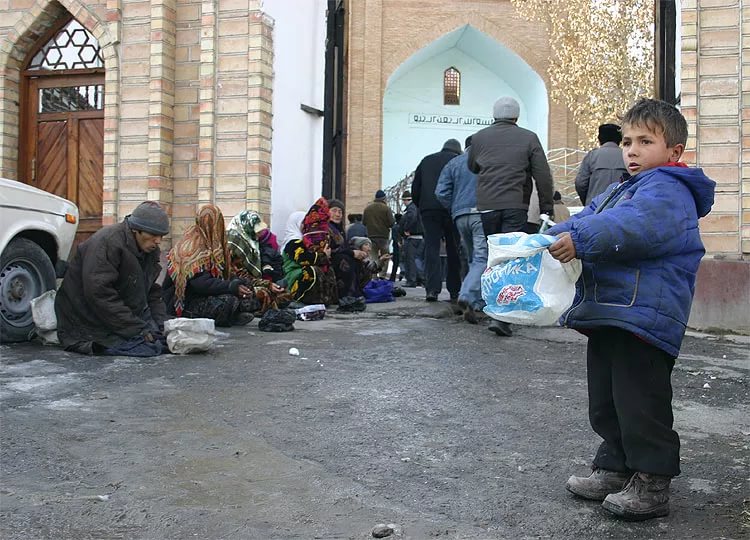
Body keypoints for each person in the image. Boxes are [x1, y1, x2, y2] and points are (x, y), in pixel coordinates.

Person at [546, 98, 716, 521]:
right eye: (626, 142)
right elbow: (589, 217)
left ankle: (652, 482)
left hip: (644, 315)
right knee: (606, 399)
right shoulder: (623, 189)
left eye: (645, 141)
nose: (632, 150)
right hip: (613, 310)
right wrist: (543, 238)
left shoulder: (668, 190)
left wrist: (580, 240)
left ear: (674, 151)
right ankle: (615, 467)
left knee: (641, 401)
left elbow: (633, 227)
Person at [467, 96, 555, 336]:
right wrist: (547, 206)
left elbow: (472, 166)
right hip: (515, 204)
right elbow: (542, 175)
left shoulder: (479, 137)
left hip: (487, 206)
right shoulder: (529, 138)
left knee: (494, 257)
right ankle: (502, 317)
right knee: (511, 259)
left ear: (494, 115)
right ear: (516, 116)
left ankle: (491, 307)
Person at [54, 201, 170, 356]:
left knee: (161, 341)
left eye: (161, 236)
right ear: (136, 230)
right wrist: (136, 329)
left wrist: (163, 325)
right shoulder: (108, 242)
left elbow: (151, 293)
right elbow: (99, 294)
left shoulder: (150, 250)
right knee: (144, 347)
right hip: (85, 317)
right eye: (153, 235)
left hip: (121, 314)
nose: (158, 241)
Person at [162, 204, 255, 327]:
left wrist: (238, 283)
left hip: (202, 295)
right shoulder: (191, 248)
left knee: (245, 284)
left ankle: (233, 314)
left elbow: (221, 274)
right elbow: (201, 284)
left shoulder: (211, 247)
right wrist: (231, 286)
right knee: (228, 301)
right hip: (185, 302)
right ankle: (225, 316)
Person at [435, 135, 486, 324]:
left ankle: (476, 302)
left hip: (460, 216)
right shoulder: (485, 160)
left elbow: (440, 192)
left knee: (472, 258)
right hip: (480, 213)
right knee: (481, 257)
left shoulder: (453, 163)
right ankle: (466, 295)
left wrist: (454, 207)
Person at [411, 139, 462, 303]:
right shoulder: (458, 161)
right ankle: (455, 290)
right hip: (452, 209)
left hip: (429, 210)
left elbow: (415, 188)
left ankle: (432, 290)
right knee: (453, 249)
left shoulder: (426, 160)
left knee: (431, 248)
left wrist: (422, 206)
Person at [226, 210, 291, 314]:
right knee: (264, 294)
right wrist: (267, 285)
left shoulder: (249, 240)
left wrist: (269, 281)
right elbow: (240, 275)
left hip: (253, 281)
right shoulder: (234, 244)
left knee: (284, 294)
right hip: (237, 284)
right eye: (257, 231)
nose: (260, 234)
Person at [282, 198, 338, 306]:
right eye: (303, 223)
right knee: (311, 271)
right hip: (293, 273)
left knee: (327, 269)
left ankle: (325, 299)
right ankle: (299, 298)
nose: (306, 226)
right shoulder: (292, 242)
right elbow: (304, 259)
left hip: (301, 269)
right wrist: (323, 255)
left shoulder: (307, 240)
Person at [327, 198, 370, 303]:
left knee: (359, 260)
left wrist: (357, 252)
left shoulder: (339, 229)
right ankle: (344, 294)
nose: (337, 214)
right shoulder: (326, 228)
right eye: (334, 211)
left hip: (341, 255)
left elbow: (344, 246)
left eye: (340, 212)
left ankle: (355, 292)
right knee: (345, 260)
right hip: (330, 259)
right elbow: (332, 248)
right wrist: (352, 253)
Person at [575, 123, 627, 206]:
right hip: (621, 206)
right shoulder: (627, 156)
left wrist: (588, 200)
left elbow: (580, 183)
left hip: (595, 207)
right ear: (620, 139)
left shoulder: (592, 156)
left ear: (600, 138)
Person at [362, 189, 395, 278]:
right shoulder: (386, 208)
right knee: (385, 256)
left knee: (373, 256)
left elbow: (364, 222)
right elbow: (392, 223)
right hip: (383, 236)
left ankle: (374, 276)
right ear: (384, 198)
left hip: (371, 236)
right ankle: (382, 275)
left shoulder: (367, 209)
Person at [398, 190, 424, 287]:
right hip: (419, 237)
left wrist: (406, 229)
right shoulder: (417, 206)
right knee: (417, 259)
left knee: (410, 259)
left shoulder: (411, 208)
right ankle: (420, 279)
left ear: (406, 200)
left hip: (413, 237)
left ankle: (412, 280)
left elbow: (411, 217)